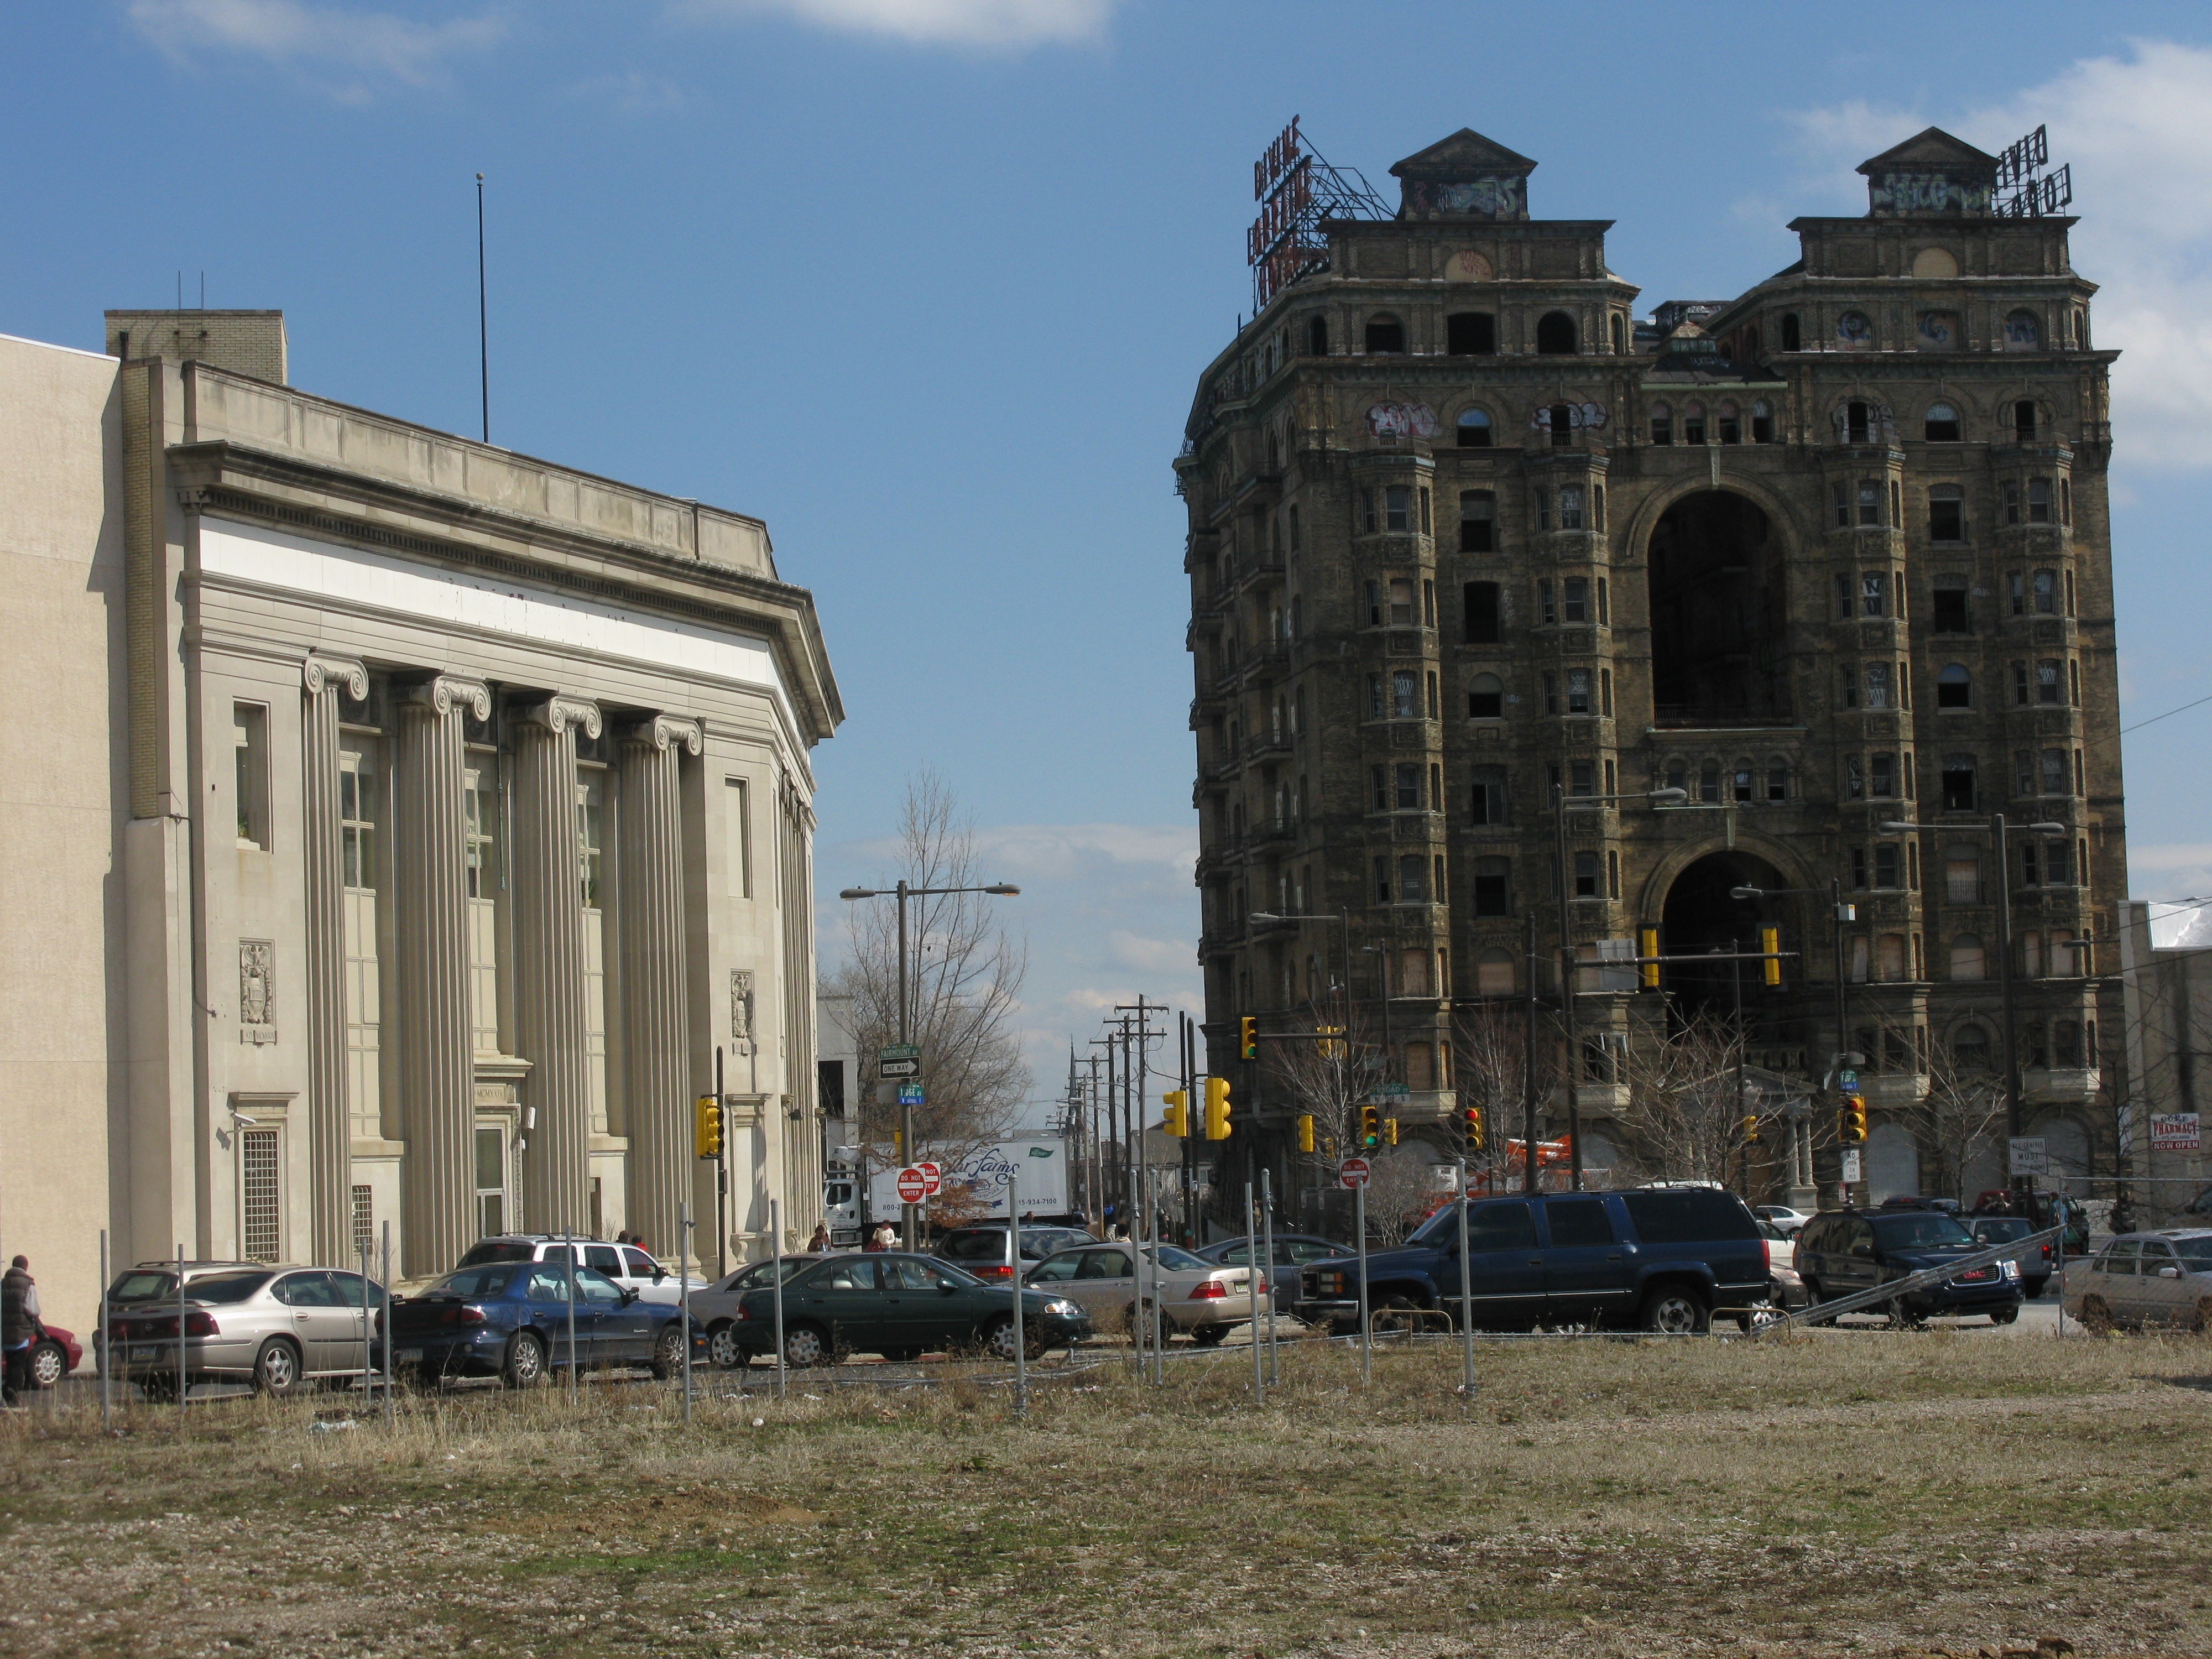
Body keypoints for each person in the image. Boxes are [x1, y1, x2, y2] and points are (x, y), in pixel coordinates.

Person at [2, 1256, 38, 1406]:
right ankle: (10, 1394)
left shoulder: (2, 1284)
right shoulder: (28, 1285)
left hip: (4, 1333)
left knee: (10, 1364)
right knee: (18, 1367)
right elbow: (33, 1310)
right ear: (26, 1267)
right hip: (20, 1333)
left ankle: (8, 1394)